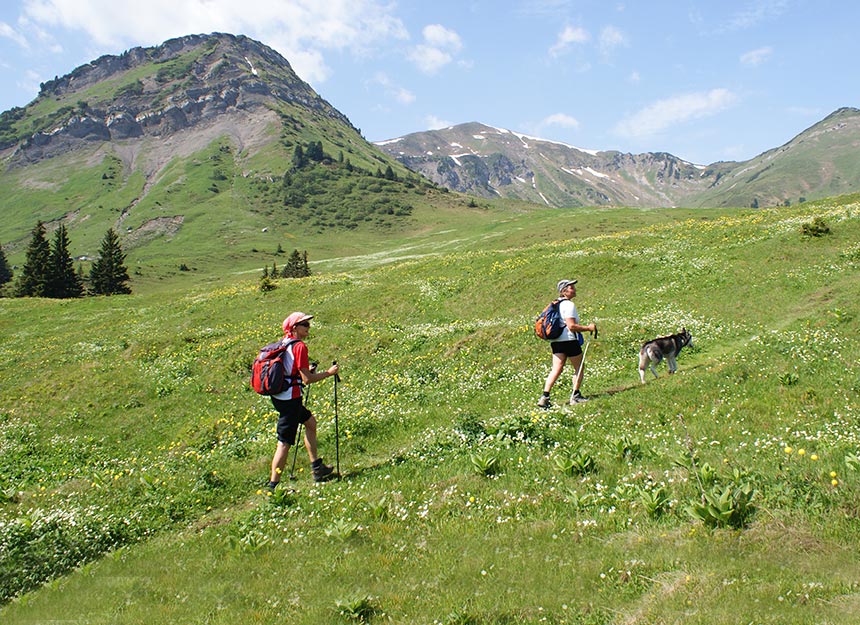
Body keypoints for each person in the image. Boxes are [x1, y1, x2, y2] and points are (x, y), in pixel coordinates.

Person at [267, 312, 340, 489]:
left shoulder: (284, 343)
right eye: (305, 324)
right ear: (294, 328)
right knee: (284, 443)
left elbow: (294, 371)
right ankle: (273, 487)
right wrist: (329, 373)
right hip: (290, 400)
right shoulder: (299, 346)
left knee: (310, 422)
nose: (308, 327)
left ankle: (317, 467)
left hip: (281, 397)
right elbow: (307, 379)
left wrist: (307, 371)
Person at [538, 279, 597, 407]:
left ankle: (545, 396)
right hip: (569, 340)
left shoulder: (554, 304)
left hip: (556, 341)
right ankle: (575, 395)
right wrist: (588, 328)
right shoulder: (569, 305)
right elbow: (571, 326)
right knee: (579, 367)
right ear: (564, 291)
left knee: (556, 369)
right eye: (571, 287)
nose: (574, 289)